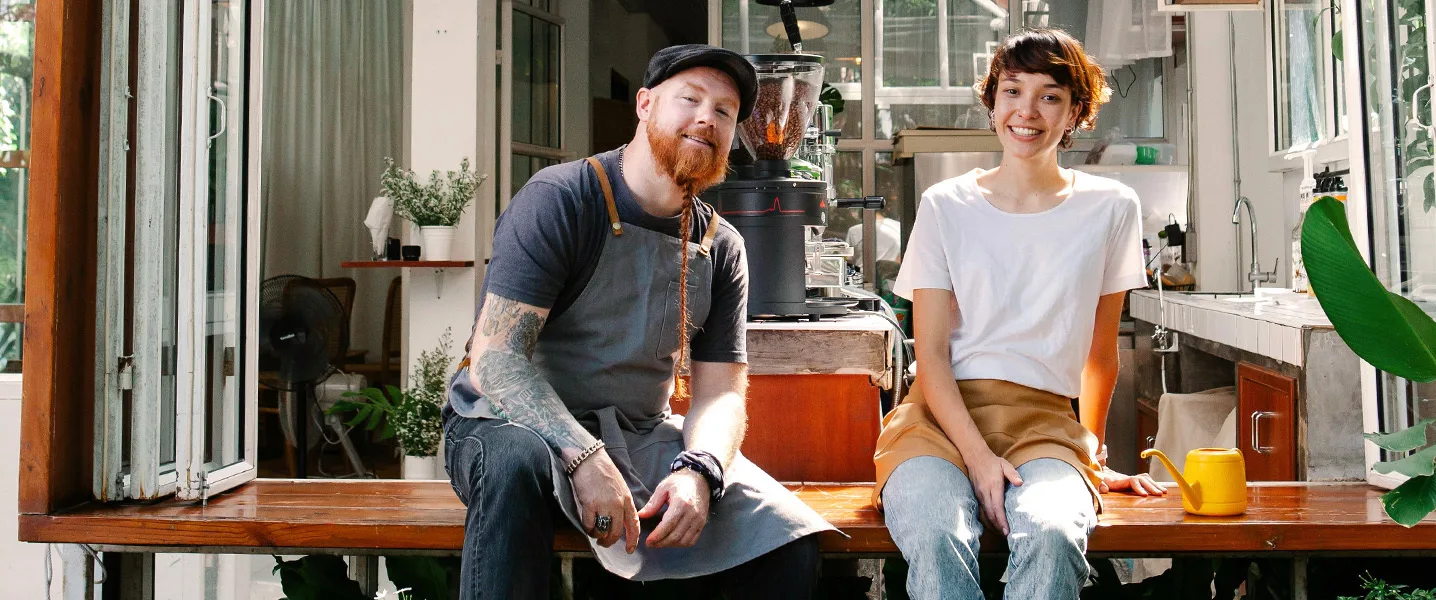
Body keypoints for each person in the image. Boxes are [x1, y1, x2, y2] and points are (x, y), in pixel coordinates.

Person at [443, 44, 832, 599]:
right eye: (690, 99)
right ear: (645, 105)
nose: (707, 117)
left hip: (635, 435)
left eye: (724, 111)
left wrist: (700, 470)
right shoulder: (561, 199)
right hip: (507, 424)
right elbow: (496, 360)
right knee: (516, 463)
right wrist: (581, 455)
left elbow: (720, 394)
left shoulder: (721, 246)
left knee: (787, 536)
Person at [871, 29, 1166, 600]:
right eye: (1011, 91)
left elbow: (1101, 355)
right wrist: (978, 460)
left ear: (1076, 111)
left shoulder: (1111, 208)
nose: (1026, 112)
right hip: (937, 419)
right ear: (992, 102)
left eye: (1049, 96)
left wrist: (1092, 455)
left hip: (1047, 426)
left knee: (1054, 533)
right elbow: (928, 353)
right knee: (937, 533)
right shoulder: (945, 205)